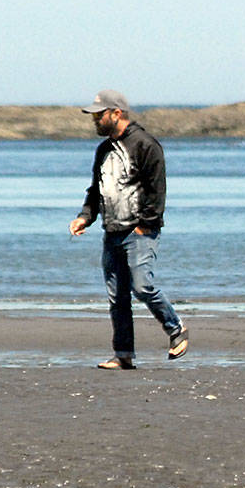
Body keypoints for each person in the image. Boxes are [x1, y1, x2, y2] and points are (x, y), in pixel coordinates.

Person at [69, 90, 189, 370]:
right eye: (94, 116)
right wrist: (85, 216)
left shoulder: (145, 145)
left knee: (142, 285)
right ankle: (123, 354)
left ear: (116, 113)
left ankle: (176, 329)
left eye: (99, 115)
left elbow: (157, 190)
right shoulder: (103, 150)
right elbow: (96, 189)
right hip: (111, 231)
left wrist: (145, 225)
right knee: (117, 297)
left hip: (139, 231)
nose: (95, 121)